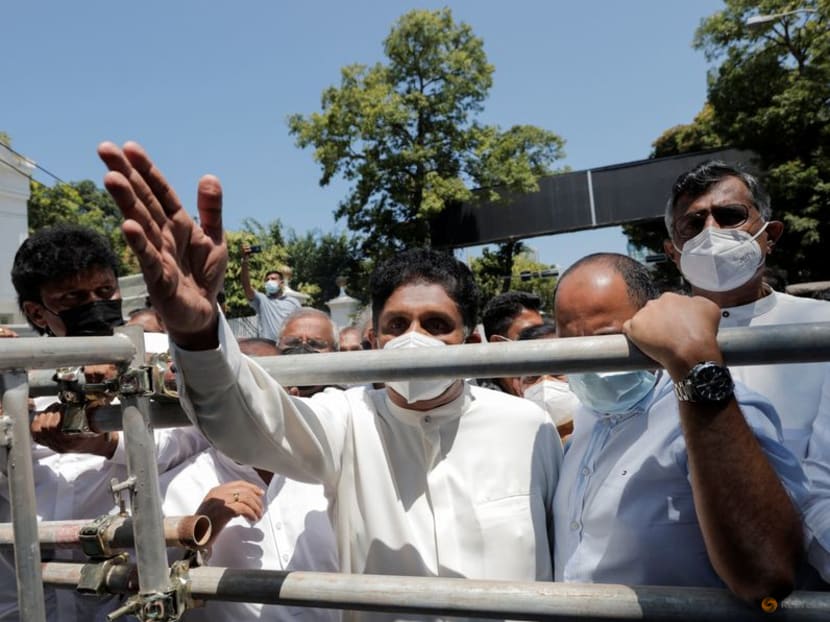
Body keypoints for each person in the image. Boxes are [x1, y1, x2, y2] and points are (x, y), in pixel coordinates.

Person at [98, 139, 561, 610]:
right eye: (397, 325)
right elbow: (248, 425)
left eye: (437, 325)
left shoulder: (527, 427)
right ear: (375, 339)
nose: (414, 340)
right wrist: (198, 332)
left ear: (471, 339)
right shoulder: (347, 419)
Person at [552, 252, 807, 604]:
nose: (591, 359)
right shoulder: (586, 419)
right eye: (572, 343)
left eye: (606, 338)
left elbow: (768, 576)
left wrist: (695, 371)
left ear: (649, 322)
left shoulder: (719, 413)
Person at [3, 224, 207, 621]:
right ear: (35, 311)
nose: (95, 305)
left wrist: (102, 441)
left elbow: (190, 438)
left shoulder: (159, 356)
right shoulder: (17, 371)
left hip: (129, 588)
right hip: (29, 592)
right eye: (74, 297)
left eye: (104, 292)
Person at [159, 338, 339, 622]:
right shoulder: (175, 488)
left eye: (260, 387)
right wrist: (200, 529)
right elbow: (156, 594)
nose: (244, 402)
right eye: (230, 389)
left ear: (291, 394)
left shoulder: (333, 470)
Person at [662, 160, 830, 460]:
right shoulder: (652, 343)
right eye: (693, 224)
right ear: (673, 253)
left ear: (771, 236)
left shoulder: (822, 325)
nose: (711, 233)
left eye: (730, 216)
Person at [510, 322, 580, 441]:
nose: (545, 382)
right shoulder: (512, 441)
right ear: (518, 386)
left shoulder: (604, 433)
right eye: (532, 376)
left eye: (557, 372)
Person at [477, 291, 544, 394]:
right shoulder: (479, 398)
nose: (541, 345)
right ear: (498, 344)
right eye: (529, 335)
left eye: (541, 333)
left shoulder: (555, 387)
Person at [240, 244, 301, 341]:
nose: (269, 282)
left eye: (273, 279)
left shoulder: (294, 302)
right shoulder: (262, 300)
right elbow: (246, 285)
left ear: (281, 283)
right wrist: (244, 261)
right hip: (267, 348)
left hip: (289, 348)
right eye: (267, 280)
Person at [275, 308, 341, 397]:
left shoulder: (347, 403)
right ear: (278, 345)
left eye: (315, 344)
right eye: (293, 342)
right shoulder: (264, 396)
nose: (302, 349)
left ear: (334, 351)